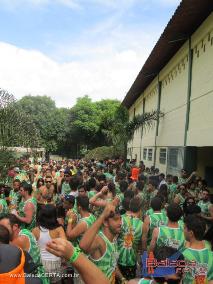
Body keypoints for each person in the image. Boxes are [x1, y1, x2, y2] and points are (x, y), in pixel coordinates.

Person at [80, 203, 126, 283]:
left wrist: (122, 279)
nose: (120, 223)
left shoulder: (114, 239)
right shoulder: (100, 240)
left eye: (120, 219)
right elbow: (83, 246)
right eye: (116, 219)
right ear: (105, 222)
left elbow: (113, 264)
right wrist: (103, 215)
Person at [0, 213, 48, 284]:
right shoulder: (25, 231)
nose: (2, 230)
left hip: (34, 277)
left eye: (4, 227)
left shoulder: (20, 240)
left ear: (15, 226)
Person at [32, 205, 66, 283]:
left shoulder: (35, 230)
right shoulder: (58, 229)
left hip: (41, 263)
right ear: (54, 216)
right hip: (55, 262)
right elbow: (64, 246)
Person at [117, 197, 143, 280]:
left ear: (130, 206)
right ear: (140, 209)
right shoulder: (142, 225)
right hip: (131, 261)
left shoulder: (120, 219)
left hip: (117, 259)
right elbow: (141, 245)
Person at [183, 214, 213, 283]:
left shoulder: (183, 256)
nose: (183, 230)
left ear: (191, 233)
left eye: (185, 228)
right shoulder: (211, 254)